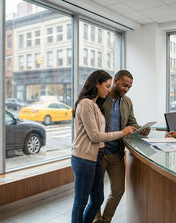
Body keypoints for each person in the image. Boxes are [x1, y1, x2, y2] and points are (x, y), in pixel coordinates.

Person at [71, 70, 136, 223]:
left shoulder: (95, 103)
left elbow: (100, 131)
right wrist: (122, 132)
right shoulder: (87, 103)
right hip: (85, 157)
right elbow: (95, 135)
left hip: (96, 156)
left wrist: (135, 129)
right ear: (97, 84)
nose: (107, 89)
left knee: (97, 198)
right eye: (106, 86)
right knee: (81, 202)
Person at [94, 70, 150, 223]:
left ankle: (105, 220)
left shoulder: (127, 102)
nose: (126, 89)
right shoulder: (101, 98)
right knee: (96, 193)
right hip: (98, 152)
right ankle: (96, 220)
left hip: (116, 153)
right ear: (116, 80)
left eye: (129, 87)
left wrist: (140, 129)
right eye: (124, 85)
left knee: (118, 190)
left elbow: (131, 122)